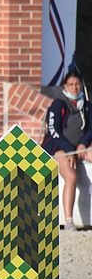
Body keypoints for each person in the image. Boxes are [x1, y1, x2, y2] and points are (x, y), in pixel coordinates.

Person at [41, 68, 92, 231]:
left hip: (79, 146)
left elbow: (90, 128)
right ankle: (69, 220)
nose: (74, 88)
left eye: (77, 84)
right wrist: (69, 150)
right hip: (60, 146)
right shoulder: (58, 104)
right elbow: (53, 130)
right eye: (71, 85)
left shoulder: (87, 105)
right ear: (65, 86)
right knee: (70, 176)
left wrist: (83, 144)